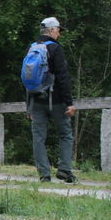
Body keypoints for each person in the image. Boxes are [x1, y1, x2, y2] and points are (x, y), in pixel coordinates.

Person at [27, 17, 77, 183]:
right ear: (51, 30)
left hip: (36, 102)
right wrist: (69, 103)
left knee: (38, 137)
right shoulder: (55, 49)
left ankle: (44, 174)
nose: (59, 34)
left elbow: (27, 80)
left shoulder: (32, 48)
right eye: (58, 30)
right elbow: (63, 78)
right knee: (65, 135)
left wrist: (29, 107)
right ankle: (64, 170)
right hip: (56, 101)